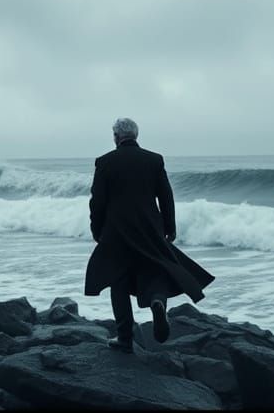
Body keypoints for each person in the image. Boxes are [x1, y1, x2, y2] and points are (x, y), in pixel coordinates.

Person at [85, 117, 215, 353]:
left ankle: (125, 338)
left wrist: (97, 229)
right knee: (155, 269)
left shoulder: (105, 162)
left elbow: (98, 201)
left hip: (117, 230)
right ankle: (157, 301)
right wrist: (169, 227)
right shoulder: (154, 160)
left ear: (116, 137)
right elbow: (166, 196)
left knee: (118, 279)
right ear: (136, 135)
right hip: (149, 226)